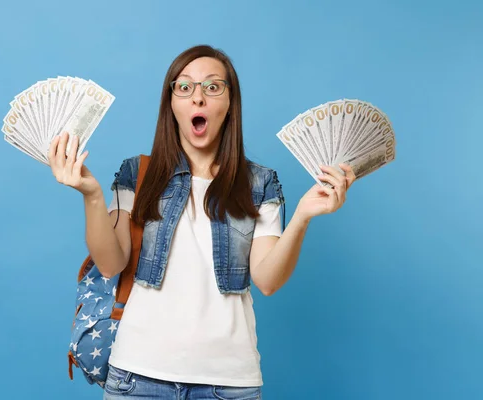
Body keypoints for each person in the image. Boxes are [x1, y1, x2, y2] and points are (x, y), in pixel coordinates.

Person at [48, 45, 355, 399]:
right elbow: (111, 262)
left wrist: (301, 217)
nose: (198, 98)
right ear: (172, 104)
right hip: (136, 377)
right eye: (185, 87)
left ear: (229, 103)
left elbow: (268, 281)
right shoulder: (137, 173)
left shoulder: (259, 183)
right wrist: (92, 196)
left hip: (229, 383)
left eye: (212, 87)